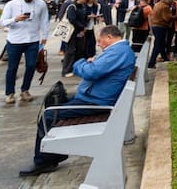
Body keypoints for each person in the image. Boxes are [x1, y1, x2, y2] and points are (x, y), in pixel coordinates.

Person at [18, 24, 135, 177]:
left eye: (100, 41)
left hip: (97, 103)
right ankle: (55, 154)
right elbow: (95, 68)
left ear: (109, 37)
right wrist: (91, 63)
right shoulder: (120, 50)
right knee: (55, 103)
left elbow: (91, 72)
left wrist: (79, 63)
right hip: (96, 98)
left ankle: (43, 162)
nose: (98, 44)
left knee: (48, 115)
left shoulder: (117, 52)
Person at [0, 0, 50, 104]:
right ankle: (10, 93)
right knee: (12, 67)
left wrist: (44, 36)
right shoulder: (12, 4)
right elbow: (2, 22)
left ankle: (25, 90)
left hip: (32, 40)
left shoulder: (40, 4)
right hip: (14, 40)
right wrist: (15, 19)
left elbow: (44, 20)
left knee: (31, 65)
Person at [148, 0, 177, 68]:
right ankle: (151, 63)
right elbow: (167, 18)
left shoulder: (157, 4)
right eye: (171, 0)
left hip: (155, 26)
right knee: (158, 45)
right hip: (160, 26)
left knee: (161, 44)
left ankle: (164, 58)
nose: (172, 1)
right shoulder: (165, 6)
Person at [61, 0, 90, 77]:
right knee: (70, 51)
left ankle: (75, 68)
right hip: (72, 32)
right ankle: (66, 70)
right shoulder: (72, 6)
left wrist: (84, 27)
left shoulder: (83, 7)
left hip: (80, 31)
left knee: (79, 50)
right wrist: (81, 27)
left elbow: (84, 18)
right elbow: (72, 19)